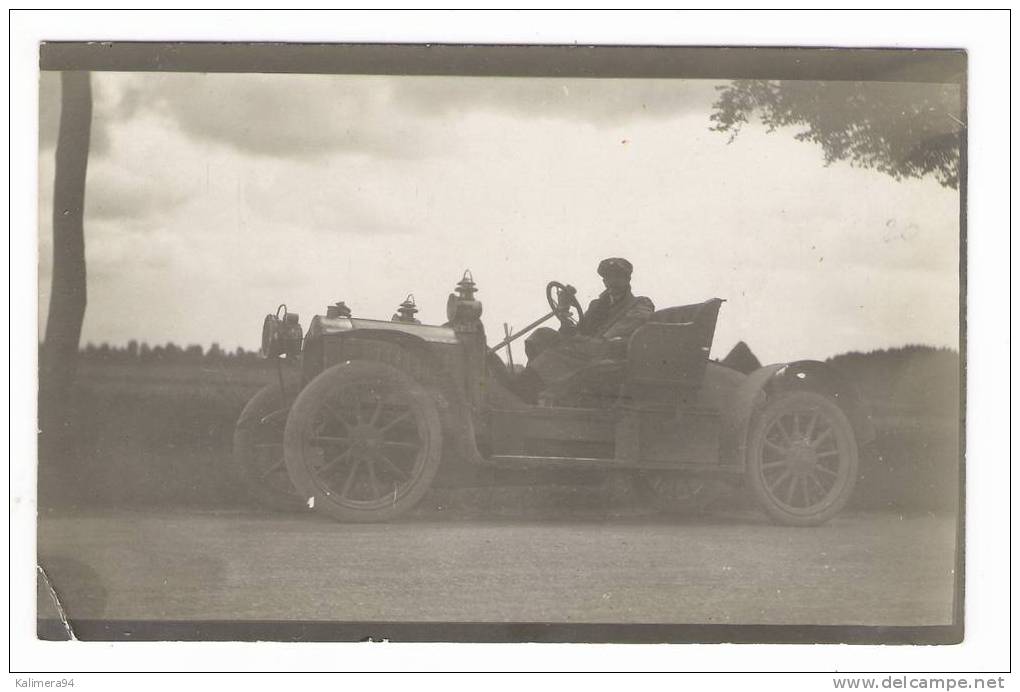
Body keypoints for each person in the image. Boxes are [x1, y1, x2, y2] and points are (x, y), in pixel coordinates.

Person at [516, 257, 654, 403]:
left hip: (611, 350)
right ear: (604, 281)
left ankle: (524, 388)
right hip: (588, 347)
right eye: (607, 278)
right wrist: (564, 312)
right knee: (542, 335)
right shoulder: (597, 305)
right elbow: (577, 331)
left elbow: (624, 328)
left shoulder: (640, 303)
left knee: (561, 352)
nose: (611, 282)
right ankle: (532, 387)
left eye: (617, 277)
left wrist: (584, 340)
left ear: (627, 279)